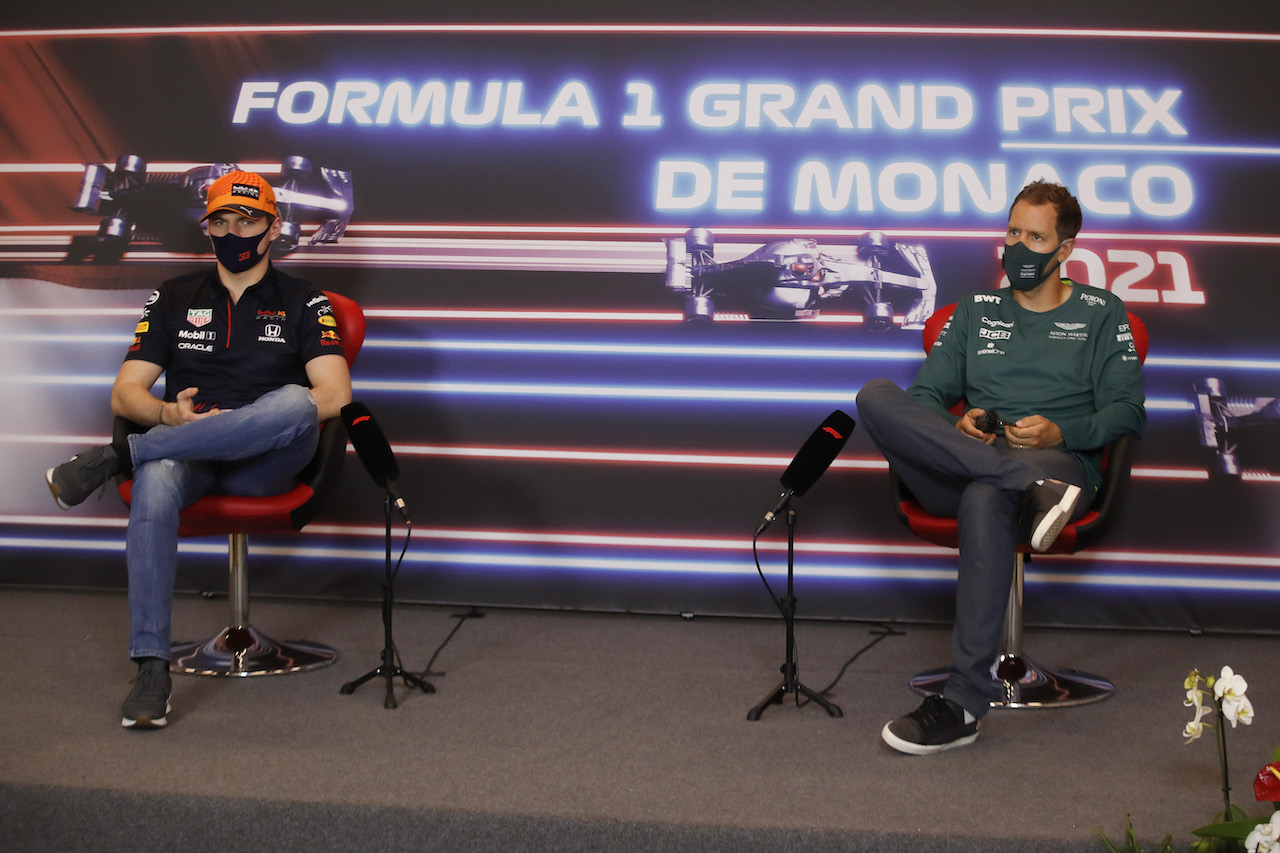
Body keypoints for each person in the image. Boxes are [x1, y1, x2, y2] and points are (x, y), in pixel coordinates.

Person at [45, 171, 352, 730]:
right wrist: (167, 415)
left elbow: (334, 394)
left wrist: (235, 423)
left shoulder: (305, 299)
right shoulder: (173, 295)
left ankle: (120, 455)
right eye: (222, 221)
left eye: (248, 219)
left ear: (272, 227)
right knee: (159, 478)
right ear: (206, 228)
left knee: (292, 401)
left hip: (270, 461)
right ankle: (151, 668)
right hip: (193, 454)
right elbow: (126, 392)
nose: (234, 231)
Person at [855, 180, 1145, 755]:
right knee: (876, 395)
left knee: (985, 497)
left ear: (1064, 249)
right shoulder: (974, 311)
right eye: (1013, 231)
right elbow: (927, 397)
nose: (1018, 246)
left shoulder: (1102, 313)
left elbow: (1127, 412)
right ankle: (1018, 482)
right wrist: (956, 426)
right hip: (984, 465)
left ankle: (961, 704)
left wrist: (1063, 431)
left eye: (1035, 237)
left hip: (1057, 465)